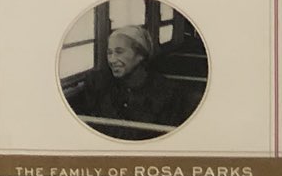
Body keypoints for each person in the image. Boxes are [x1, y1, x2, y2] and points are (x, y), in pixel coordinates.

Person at [60, 25, 192, 139]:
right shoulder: (98, 84)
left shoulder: (167, 92)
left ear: (140, 55)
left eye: (119, 52)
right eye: (109, 53)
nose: (112, 60)